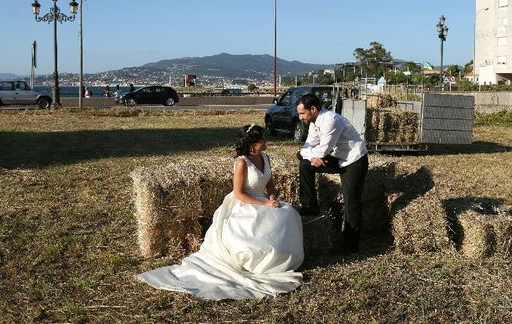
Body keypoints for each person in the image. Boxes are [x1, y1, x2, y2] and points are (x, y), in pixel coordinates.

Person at [137, 124, 304, 300]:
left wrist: (272, 199)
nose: (266, 141)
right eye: (263, 139)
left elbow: (269, 184)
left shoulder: (265, 157)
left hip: (264, 200)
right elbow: (239, 193)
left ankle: (281, 259)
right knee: (254, 231)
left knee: (288, 213)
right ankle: (258, 262)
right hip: (245, 202)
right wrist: (263, 205)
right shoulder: (242, 163)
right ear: (253, 143)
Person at [296, 93, 368, 253]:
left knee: (351, 202)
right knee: (305, 165)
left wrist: (311, 155)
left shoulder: (331, 120)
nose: (300, 117)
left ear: (313, 109)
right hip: (337, 157)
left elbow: (322, 150)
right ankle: (310, 206)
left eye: (302, 113)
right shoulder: (314, 122)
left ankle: (351, 245)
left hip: (354, 160)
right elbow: (308, 146)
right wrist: (306, 155)